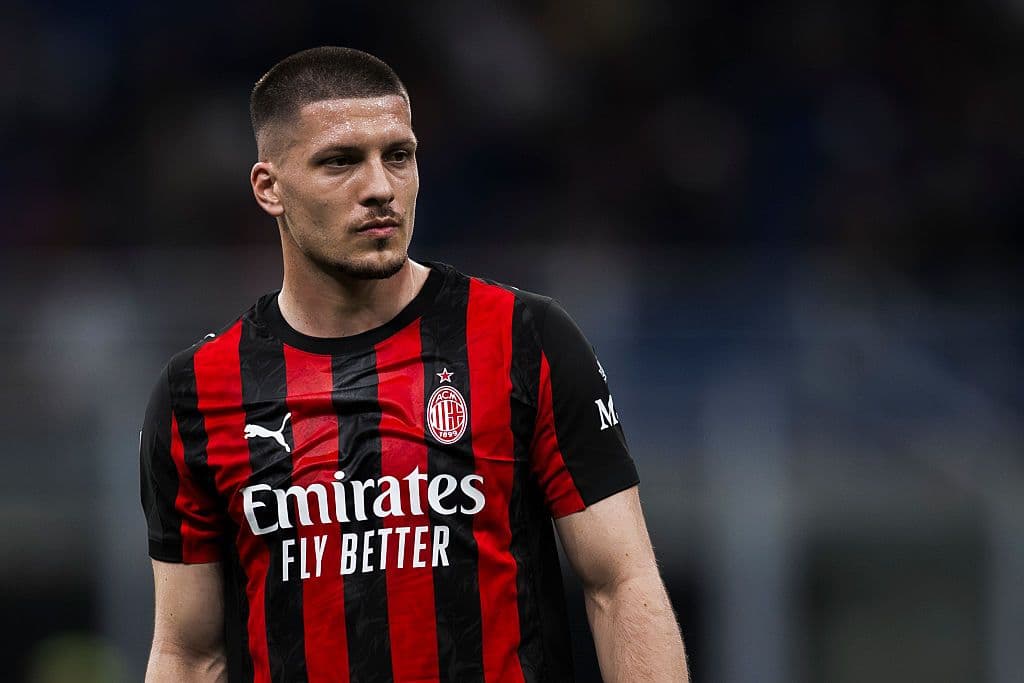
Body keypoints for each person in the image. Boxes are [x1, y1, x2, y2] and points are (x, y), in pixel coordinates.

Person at [140, 46, 688, 683]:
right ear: (270, 189)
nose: (380, 187)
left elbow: (620, 584)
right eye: (340, 161)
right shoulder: (196, 392)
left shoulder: (525, 338)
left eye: (398, 156)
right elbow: (188, 651)